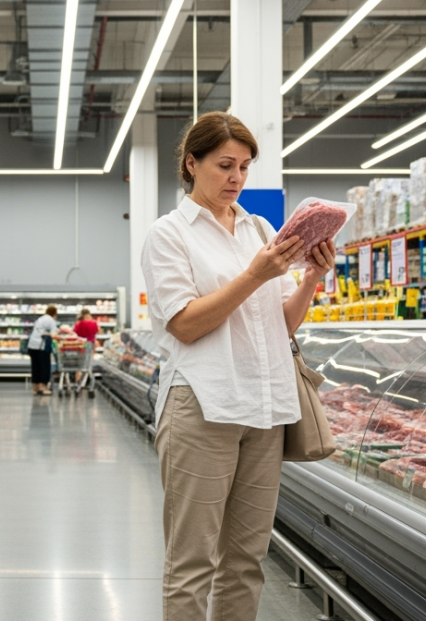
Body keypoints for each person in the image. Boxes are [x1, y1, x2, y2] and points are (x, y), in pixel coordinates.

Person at [140, 112, 336, 621]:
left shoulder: (261, 230)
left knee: (247, 561)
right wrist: (254, 274)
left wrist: (311, 277)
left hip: (265, 408)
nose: (236, 178)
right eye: (225, 165)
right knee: (192, 562)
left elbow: (281, 324)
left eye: (245, 167)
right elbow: (184, 324)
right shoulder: (168, 235)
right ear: (192, 163)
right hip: (203, 406)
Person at [27, 305, 58, 396]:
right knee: (44, 366)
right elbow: (53, 335)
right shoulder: (51, 320)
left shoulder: (40, 319)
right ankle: (43, 386)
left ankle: (36, 386)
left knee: (35, 366)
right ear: (54, 313)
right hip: (41, 347)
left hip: (32, 345)